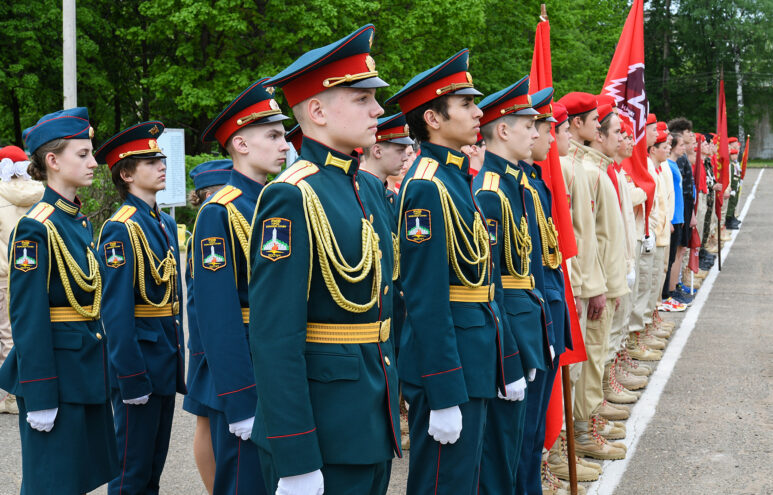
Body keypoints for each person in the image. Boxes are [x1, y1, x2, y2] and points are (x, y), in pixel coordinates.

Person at [249, 25, 400, 495]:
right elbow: (275, 335)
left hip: (372, 412)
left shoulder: (368, 187)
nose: (378, 109)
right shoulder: (291, 196)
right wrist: (295, 454)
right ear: (316, 110)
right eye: (361, 99)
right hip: (323, 428)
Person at [387, 49, 522, 494]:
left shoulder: (454, 176)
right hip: (449, 366)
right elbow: (424, 297)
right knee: (443, 485)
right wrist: (444, 392)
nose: (478, 112)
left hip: (475, 355)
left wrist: (507, 363)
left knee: (468, 481)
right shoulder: (427, 184)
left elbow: (485, 284)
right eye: (466, 105)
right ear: (433, 118)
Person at [0, 107, 119, 493]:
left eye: (91, 152)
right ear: (52, 160)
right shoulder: (37, 226)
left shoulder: (75, 220)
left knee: (76, 481)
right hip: (57, 379)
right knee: (50, 483)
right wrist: (39, 393)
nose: (93, 162)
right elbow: (28, 316)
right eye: (82, 154)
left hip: (84, 371)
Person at [193, 78, 291, 495]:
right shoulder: (221, 211)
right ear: (241, 145)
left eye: (284, 133)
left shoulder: (272, 201)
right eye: (272, 134)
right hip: (246, 370)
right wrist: (238, 398)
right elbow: (218, 316)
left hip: (276, 364)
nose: (285, 143)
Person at [95, 121, 186, 495]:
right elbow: (115, 312)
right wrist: (130, 376)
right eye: (150, 160)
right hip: (140, 363)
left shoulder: (161, 221)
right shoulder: (121, 228)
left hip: (163, 355)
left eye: (161, 157)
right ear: (127, 173)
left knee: (152, 470)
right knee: (130, 471)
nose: (161, 163)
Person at [473, 76, 542, 494]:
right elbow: (493, 284)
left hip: (526, 327)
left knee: (521, 443)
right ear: (503, 130)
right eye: (528, 125)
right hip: (509, 335)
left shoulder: (515, 184)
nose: (536, 133)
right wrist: (510, 353)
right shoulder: (490, 192)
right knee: (500, 457)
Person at [574, 103, 629, 460]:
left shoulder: (597, 170)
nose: (622, 137)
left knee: (593, 357)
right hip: (594, 283)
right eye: (609, 127)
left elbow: (607, 234)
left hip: (604, 280)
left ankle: (587, 423)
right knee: (588, 359)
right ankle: (581, 432)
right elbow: (585, 239)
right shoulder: (585, 170)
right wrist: (599, 285)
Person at [184, 159, 233, 494]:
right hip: (206, 340)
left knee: (210, 420)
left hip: (208, 337)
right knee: (210, 420)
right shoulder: (210, 222)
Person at [0, 146, 44, 415]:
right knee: (22, 331)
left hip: (1, 275)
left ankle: (13, 395)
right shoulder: (39, 194)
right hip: (29, 273)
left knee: (6, 334)